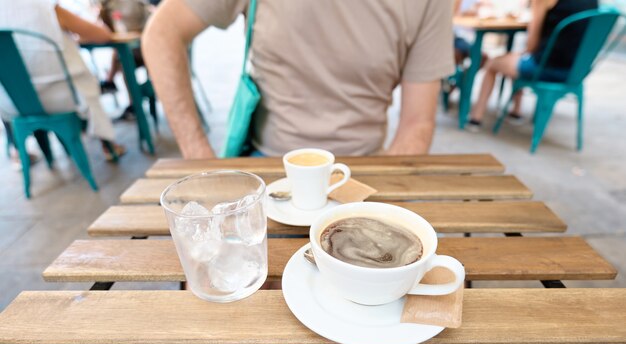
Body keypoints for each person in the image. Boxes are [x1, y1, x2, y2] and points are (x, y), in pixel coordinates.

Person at [143, 0, 455, 159]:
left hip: (365, 167)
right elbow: (161, 33)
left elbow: (417, 123)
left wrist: (382, 199)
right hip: (266, 162)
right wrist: (199, 159)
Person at [0, 0, 126, 161]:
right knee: (84, 84)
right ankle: (107, 145)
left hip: (13, 104)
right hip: (62, 97)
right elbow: (102, 35)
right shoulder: (45, 6)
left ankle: (18, 152)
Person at [467, 0, 598, 131]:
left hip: (547, 68)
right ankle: (516, 111)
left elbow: (531, 46)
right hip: (576, 71)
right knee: (516, 58)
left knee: (493, 63)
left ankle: (475, 118)